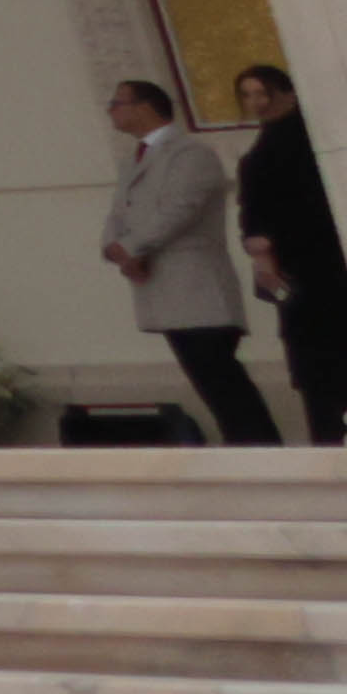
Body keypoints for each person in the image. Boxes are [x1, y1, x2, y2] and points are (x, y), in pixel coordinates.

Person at [97, 78, 274, 443]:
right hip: (161, 285)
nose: (111, 110)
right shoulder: (134, 159)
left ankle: (259, 448)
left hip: (195, 285)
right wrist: (115, 247)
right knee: (207, 381)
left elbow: (181, 209)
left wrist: (134, 247)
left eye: (117, 102)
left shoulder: (190, 154)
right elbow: (119, 214)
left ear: (145, 107)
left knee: (222, 379)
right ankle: (246, 449)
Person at [235, 66, 347, 447]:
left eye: (264, 93)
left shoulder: (297, 141)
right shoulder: (271, 142)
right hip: (299, 266)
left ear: (288, 93)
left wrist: (263, 245)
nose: (257, 103)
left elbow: (283, 204)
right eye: (247, 95)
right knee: (316, 358)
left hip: (319, 265)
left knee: (329, 357)